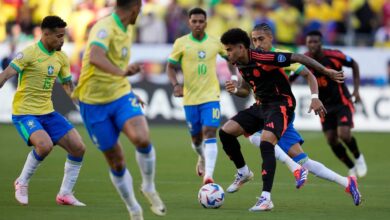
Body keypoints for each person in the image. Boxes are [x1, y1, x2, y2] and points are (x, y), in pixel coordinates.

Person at [219, 28, 345, 211]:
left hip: (280, 105)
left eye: (229, 49)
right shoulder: (240, 63)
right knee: (226, 132)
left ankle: (266, 198)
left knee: (266, 143)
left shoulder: (265, 57)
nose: (227, 53)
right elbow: (246, 89)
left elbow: (299, 58)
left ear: (240, 47)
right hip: (261, 106)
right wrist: (236, 90)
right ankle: (243, 172)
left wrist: (325, 71)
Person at [246, 23, 362, 206]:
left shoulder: (279, 56)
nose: (257, 43)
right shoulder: (254, 57)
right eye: (254, 40)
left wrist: (315, 97)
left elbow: (308, 73)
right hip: (267, 110)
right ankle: (347, 182)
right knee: (305, 161)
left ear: (270, 38)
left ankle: (291, 173)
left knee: (254, 136)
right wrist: (237, 87)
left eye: (261, 39)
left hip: (278, 112)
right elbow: (248, 87)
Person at [72, 0, 165, 219]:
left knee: (142, 139)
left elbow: (114, 63)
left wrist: (127, 87)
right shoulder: (105, 27)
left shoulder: (126, 29)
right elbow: (95, 56)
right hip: (93, 103)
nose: (139, 16)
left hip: (120, 94)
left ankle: (149, 187)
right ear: (134, 10)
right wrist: (122, 73)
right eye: (139, 11)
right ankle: (133, 208)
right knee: (116, 159)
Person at [0, 16, 86, 206]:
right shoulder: (29, 53)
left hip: (48, 112)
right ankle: (21, 181)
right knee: (44, 145)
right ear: (45, 34)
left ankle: (65, 194)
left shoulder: (61, 57)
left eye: (64, 36)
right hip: (25, 113)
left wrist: (85, 106)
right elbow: (5, 75)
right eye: (59, 36)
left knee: (79, 148)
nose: (62, 40)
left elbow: (69, 87)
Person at [166, 7, 236, 184]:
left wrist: (234, 78)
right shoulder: (181, 43)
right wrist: (176, 85)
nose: (197, 24)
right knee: (197, 139)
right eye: (194, 21)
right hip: (190, 99)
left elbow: (231, 60)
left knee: (210, 131)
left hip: (211, 96)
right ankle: (202, 157)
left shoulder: (215, 42)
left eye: (201, 21)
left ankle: (209, 176)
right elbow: (170, 67)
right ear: (189, 22)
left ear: (206, 23)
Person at [305, 30, 367, 178]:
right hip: (323, 106)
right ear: (306, 43)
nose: (312, 45)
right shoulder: (305, 60)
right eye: (309, 42)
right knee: (331, 139)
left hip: (341, 102)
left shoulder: (334, 56)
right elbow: (293, 75)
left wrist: (356, 90)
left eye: (315, 41)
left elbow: (354, 64)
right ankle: (351, 166)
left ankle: (358, 158)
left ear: (321, 43)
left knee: (344, 134)